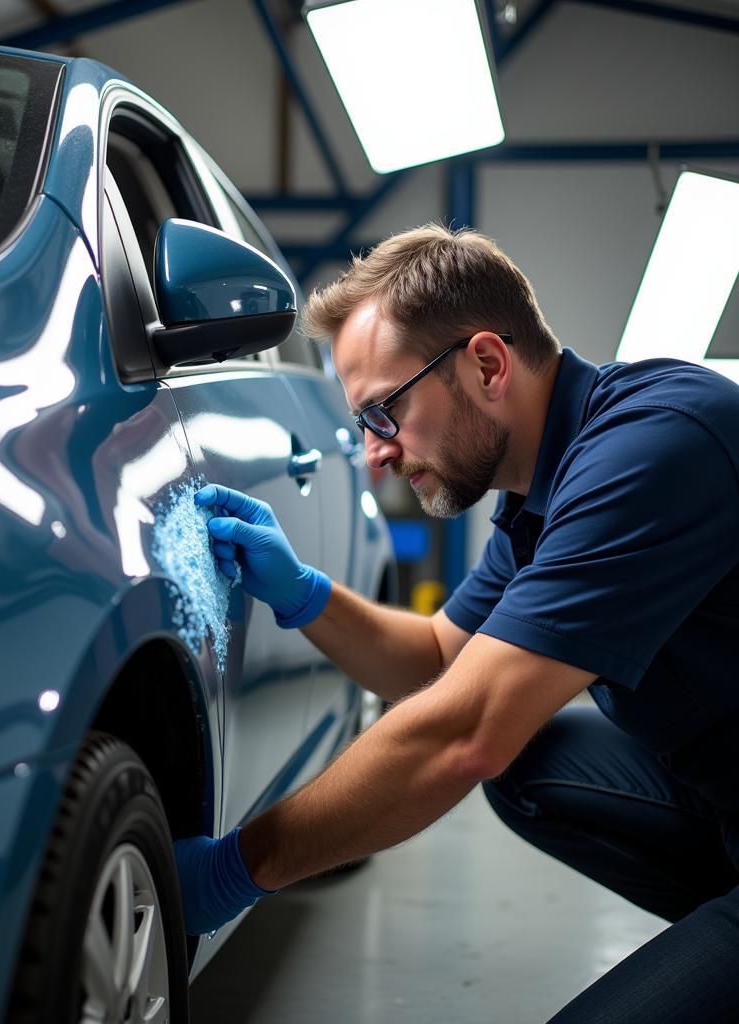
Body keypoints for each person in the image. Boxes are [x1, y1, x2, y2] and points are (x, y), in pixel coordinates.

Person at [173, 223, 739, 1022]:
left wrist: (235, 869)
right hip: (722, 799)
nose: (375, 454)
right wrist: (302, 593)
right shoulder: (544, 493)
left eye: (383, 413)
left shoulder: (656, 445)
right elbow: (438, 658)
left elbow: (463, 730)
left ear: (484, 363)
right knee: (533, 768)